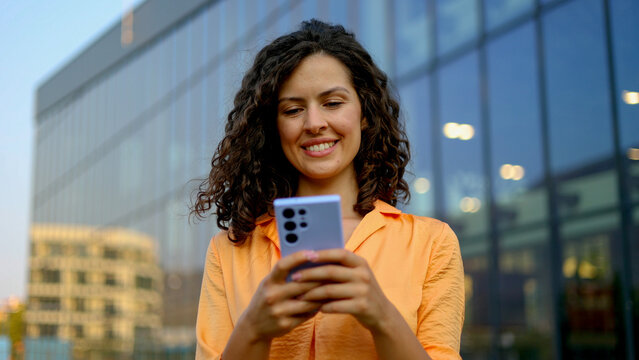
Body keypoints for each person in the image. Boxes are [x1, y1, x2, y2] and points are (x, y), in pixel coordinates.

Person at [191, 19, 464, 360]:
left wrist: (382, 316)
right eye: (293, 110)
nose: (314, 123)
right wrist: (254, 328)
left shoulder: (432, 245)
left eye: (333, 103)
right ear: (273, 126)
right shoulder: (229, 251)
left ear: (365, 113)